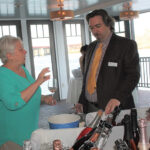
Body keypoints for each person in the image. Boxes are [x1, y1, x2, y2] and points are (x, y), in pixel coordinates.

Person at [75, 9, 140, 114]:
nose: (95, 31)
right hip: (90, 108)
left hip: (115, 108)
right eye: (91, 28)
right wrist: (81, 101)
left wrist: (117, 98)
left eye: (98, 26)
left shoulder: (126, 45)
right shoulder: (91, 47)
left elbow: (133, 76)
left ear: (108, 24)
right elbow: (88, 78)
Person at [0, 35, 56, 149]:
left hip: (29, 132)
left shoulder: (23, 69)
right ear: (9, 55)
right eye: (20, 49)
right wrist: (37, 82)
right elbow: (13, 103)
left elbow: (30, 92)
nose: (25, 51)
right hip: (12, 138)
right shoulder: (2, 75)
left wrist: (44, 98)